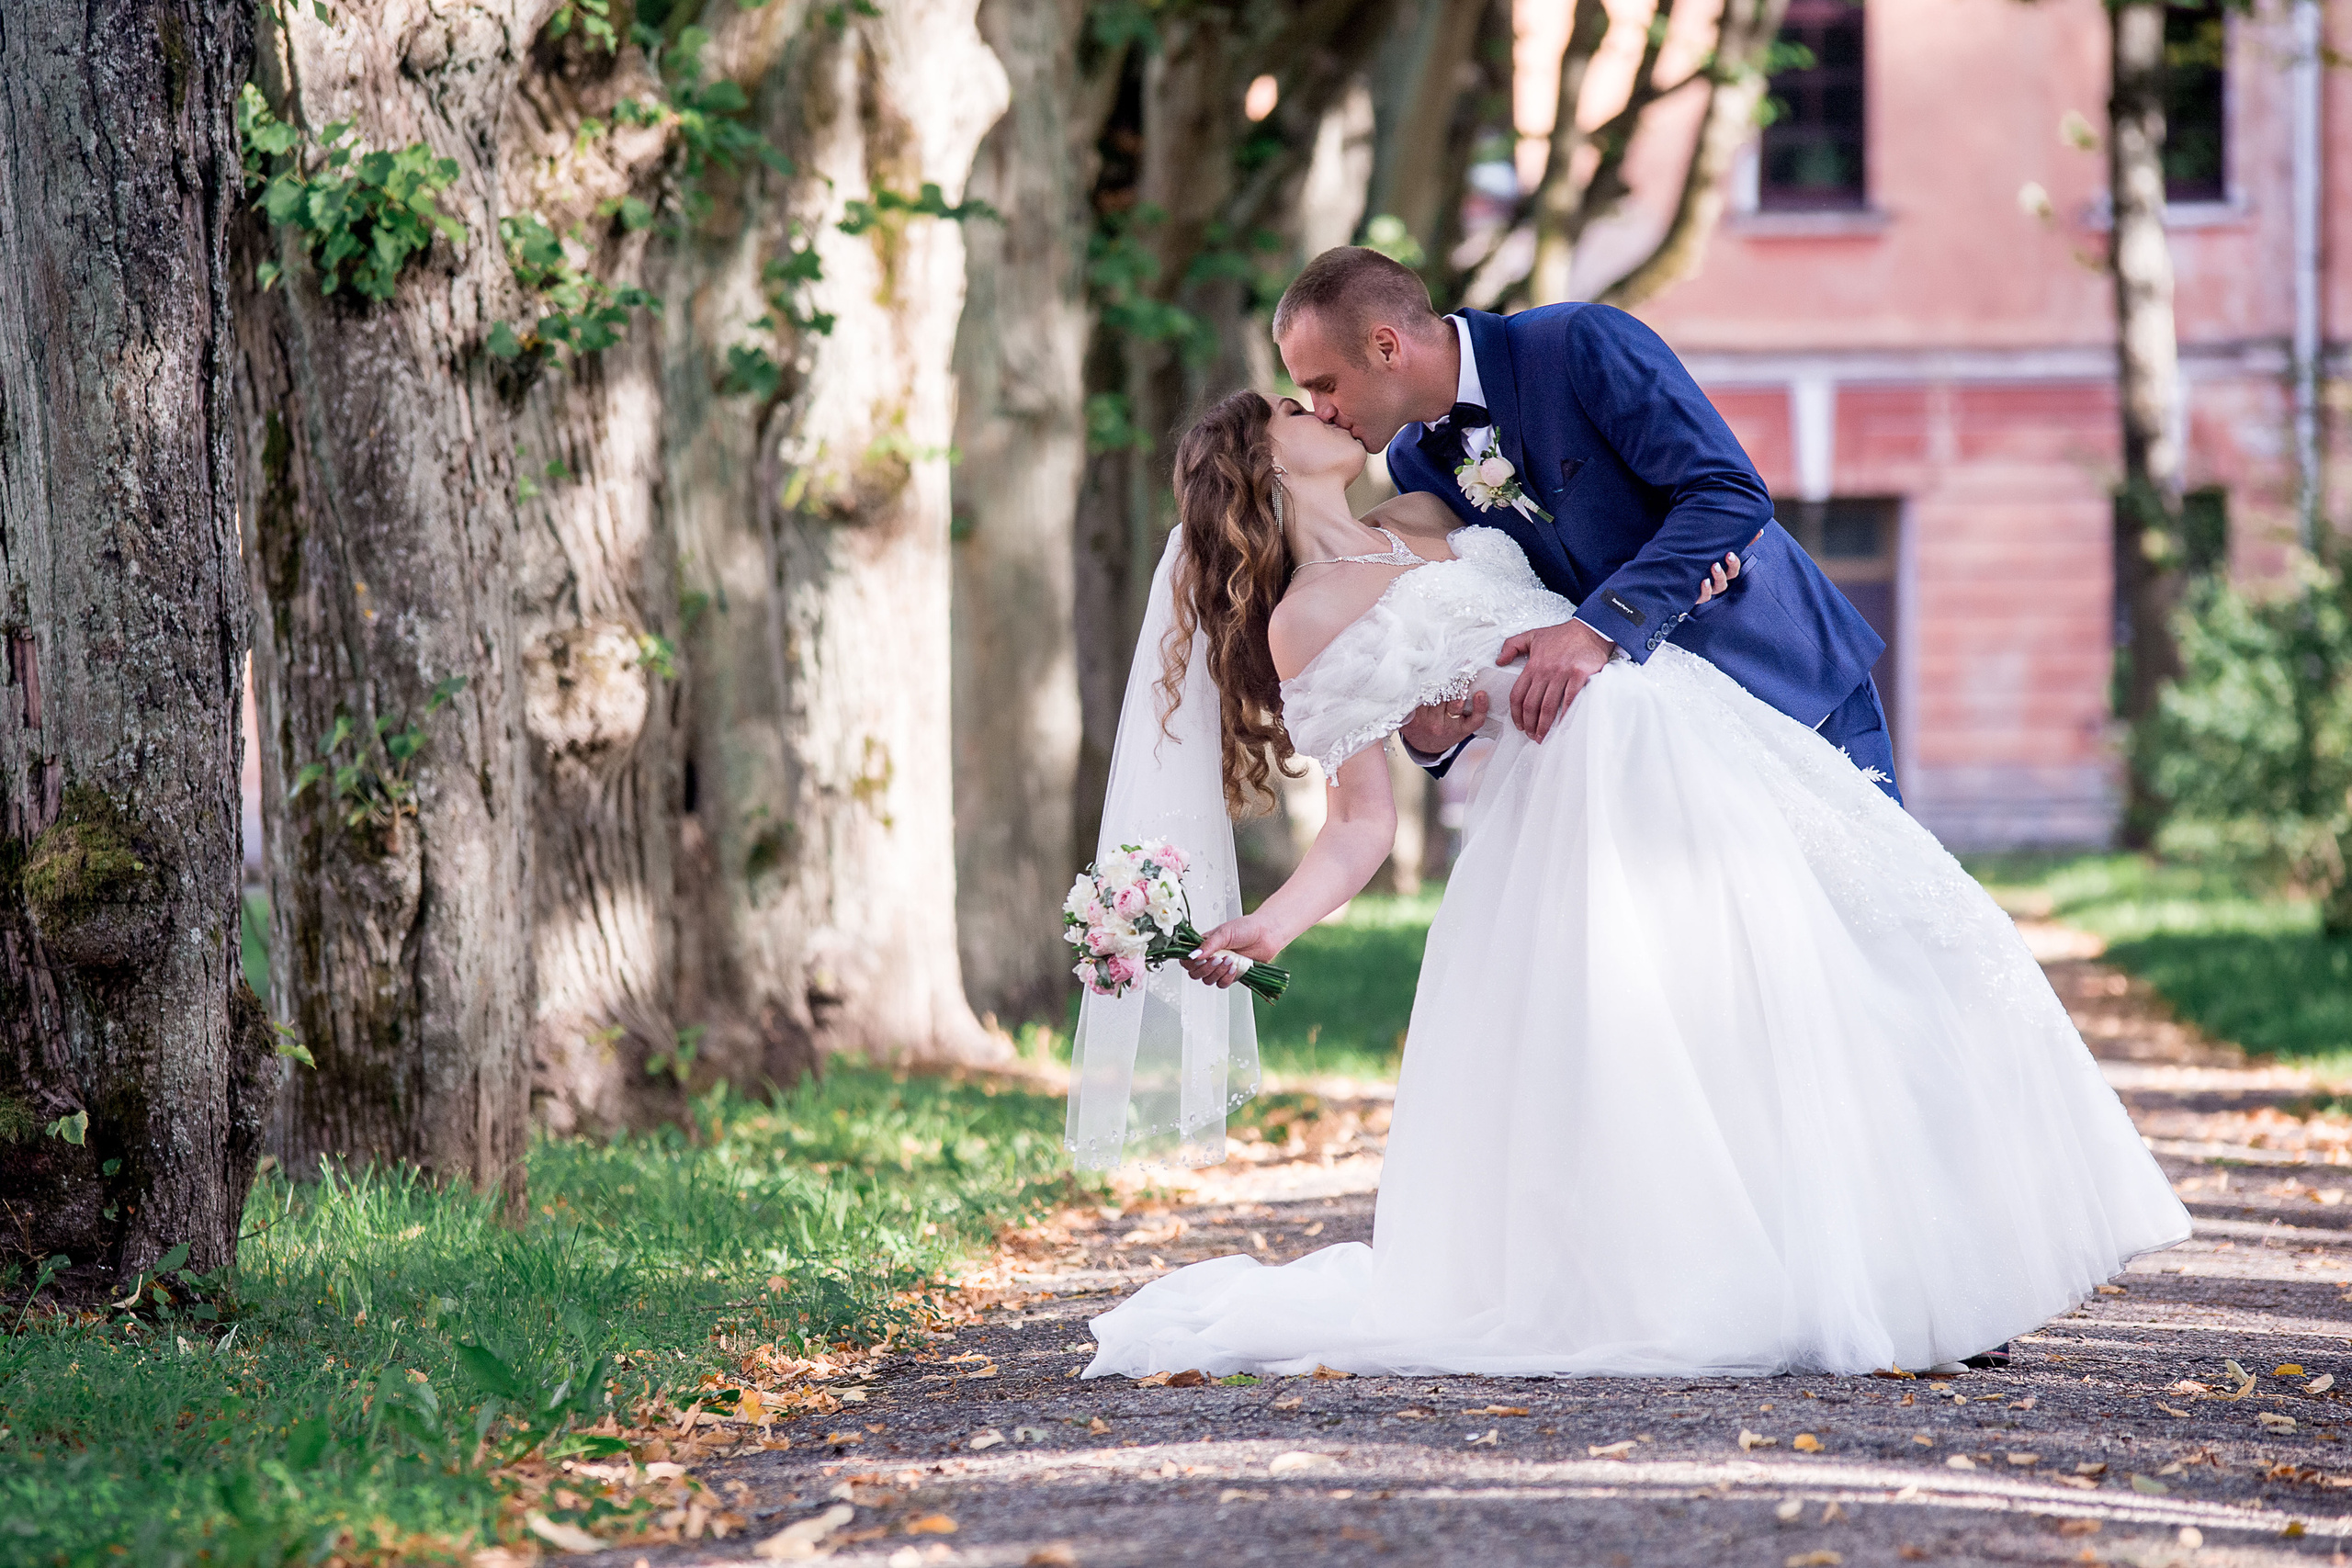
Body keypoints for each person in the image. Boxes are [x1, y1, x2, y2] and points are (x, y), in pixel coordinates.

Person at [1071, 389, 2188, 1381]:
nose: (1326, 407)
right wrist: (1271, 924)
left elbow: (1590, 565)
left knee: (1854, 968)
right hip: (1576, 812)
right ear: (1261, 463)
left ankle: (1914, 1262)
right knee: (1665, 1045)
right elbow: (1360, 823)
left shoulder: (1430, 513)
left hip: (1694, 737)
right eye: (1294, 406)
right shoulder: (1304, 616)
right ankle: (1725, 1281)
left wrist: (1683, 571)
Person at [1270, 245, 1897, 799]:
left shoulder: (1577, 342)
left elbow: (1728, 491)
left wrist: (1599, 627)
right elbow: (1496, 603)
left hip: (1783, 675)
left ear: (1386, 346)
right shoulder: (1416, 463)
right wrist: (1433, 738)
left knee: (1870, 920)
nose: (1322, 413)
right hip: (1656, 745)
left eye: (1325, 385)